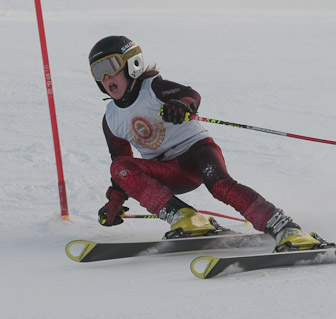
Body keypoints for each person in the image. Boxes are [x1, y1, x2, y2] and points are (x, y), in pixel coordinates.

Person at [88, 35, 321, 252]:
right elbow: (121, 164)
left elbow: (190, 94)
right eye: (98, 71)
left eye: (110, 66)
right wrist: (115, 201)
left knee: (221, 186)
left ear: (132, 64)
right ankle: (186, 218)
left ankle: (286, 228)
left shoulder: (154, 89)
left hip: (196, 154)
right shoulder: (111, 119)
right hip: (166, 172)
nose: (105, 77)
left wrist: (182, 105)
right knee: (119, 166)